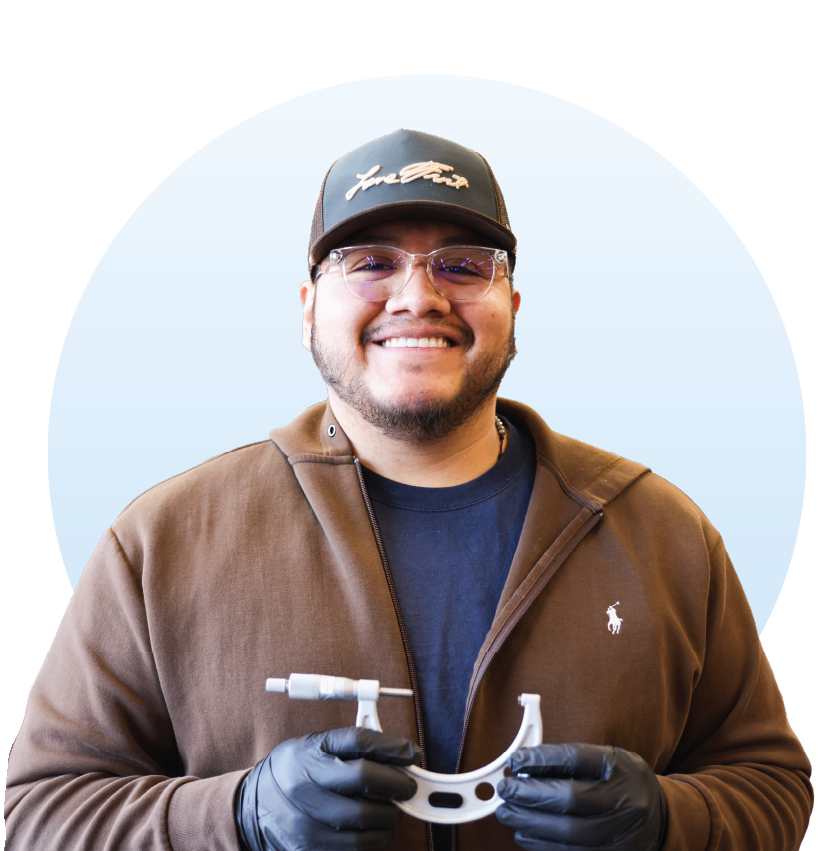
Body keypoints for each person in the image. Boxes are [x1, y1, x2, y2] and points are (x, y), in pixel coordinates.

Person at [4, 129, 814, 851]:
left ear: (512, 306)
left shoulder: (663, 532)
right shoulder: (161, 540)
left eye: (463, 265)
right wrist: (238, 816)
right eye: (371, 263)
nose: (419, 297)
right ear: (308, 308)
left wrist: (669, 820)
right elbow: (38, 814)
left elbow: (773, 782)